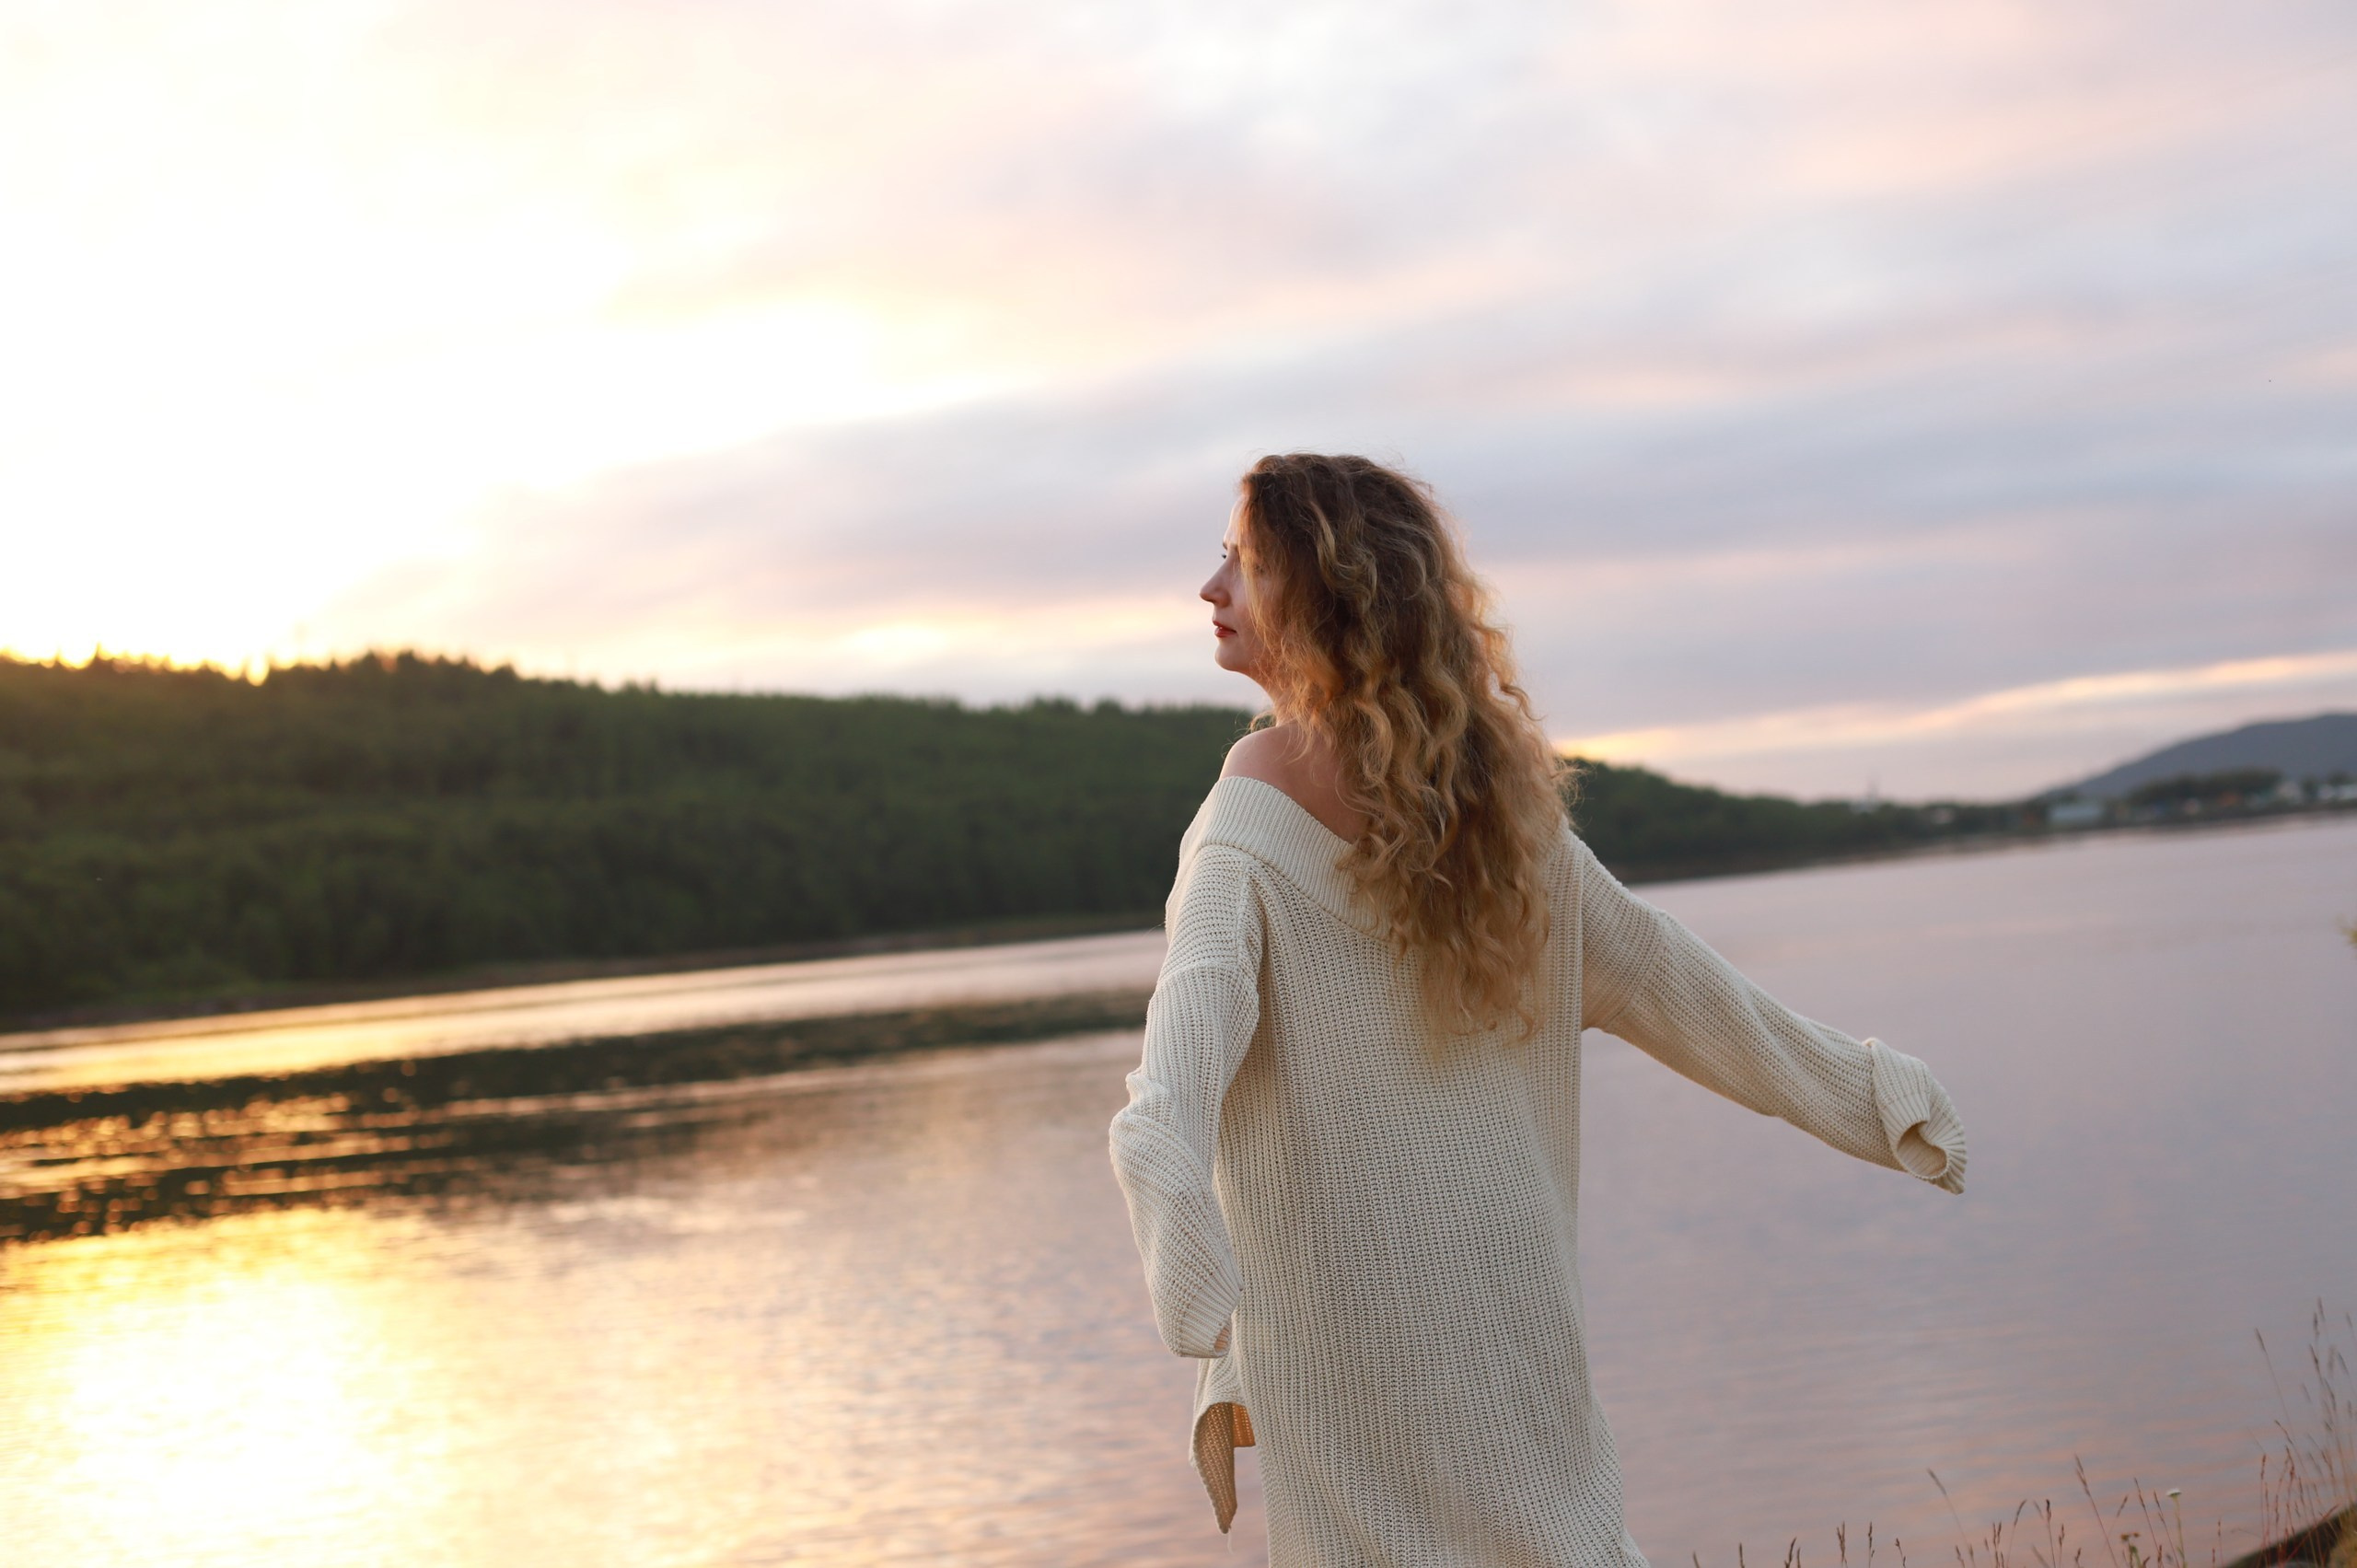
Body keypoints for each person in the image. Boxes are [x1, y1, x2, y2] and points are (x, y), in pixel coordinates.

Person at [1108, 453, 1968, 1568]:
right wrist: (1870, 1093)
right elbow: (1682, 989)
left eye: (1246, 561)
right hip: (1507, 1306)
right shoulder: (1499, 823)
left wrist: (1191, 1255)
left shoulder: (1249, 825)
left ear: (1325, 594)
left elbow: (1164, 1101)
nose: (1212, 588)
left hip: (1351, 1334)